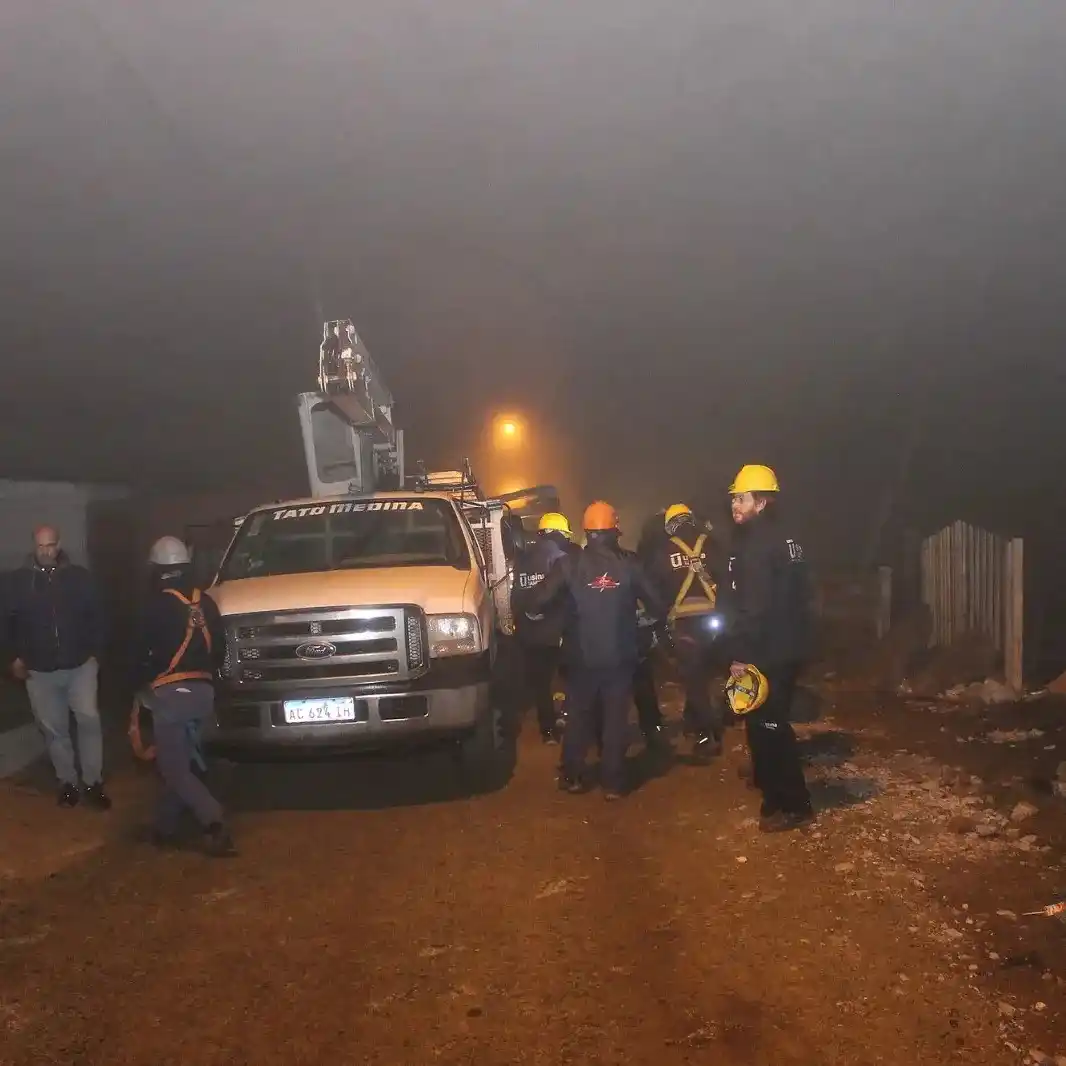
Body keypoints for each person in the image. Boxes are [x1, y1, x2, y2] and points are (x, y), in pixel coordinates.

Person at [526, 501, 668, 800]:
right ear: (615, 531)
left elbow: (538, 600)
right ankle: (613, 783)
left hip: (581, 658)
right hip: (620, 656)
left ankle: (573, 775)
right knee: (616, 719)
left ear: (587, 532)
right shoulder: (630, 564)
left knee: (579, 716)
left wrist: (549, 616)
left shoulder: (569, 564)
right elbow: (657, 604)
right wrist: (640, 621)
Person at [722, 465, 814, 832]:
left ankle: (794, 804)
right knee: (765, 725)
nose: (735, 505)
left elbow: (754, 607)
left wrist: (741, 655)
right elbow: (803, 594)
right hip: (788, 645)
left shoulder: (757, 544)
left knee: (770, 726)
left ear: (761, 502)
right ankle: (773, 796)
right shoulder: (789, 538)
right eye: (733, 498)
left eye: (741, 498)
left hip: (767, 649)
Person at [132, 536, 235, 857]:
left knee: (174, 770)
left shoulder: (153, 607)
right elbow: (220, 651)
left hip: (170, 698)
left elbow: (139, 657)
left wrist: (139, 692)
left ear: (157, 568)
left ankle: (213, 820)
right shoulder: (207, 603)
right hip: (204, 696)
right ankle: (164, 827)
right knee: (181, 763)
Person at [5, 525, 109, 809]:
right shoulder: (18, 582)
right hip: (39, 671)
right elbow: (7, 622)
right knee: (54, 730)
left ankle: (93, 782)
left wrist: (95, 653)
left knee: (88, 720)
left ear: (59, 544)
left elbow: (97, 615)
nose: (46, 551)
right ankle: (68, 782)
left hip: (79, 665)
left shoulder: (79, 578)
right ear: (33, 547)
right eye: (41, 547)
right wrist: (13, 657)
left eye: (51, 545)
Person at [640, 503, 725, 757]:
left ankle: (708, 733)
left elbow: (653, 589)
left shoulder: (663, 550)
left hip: (684, 623)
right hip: (715, 621)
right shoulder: (712, 544)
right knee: (701, 674)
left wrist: (658, 619)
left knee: (694, 676)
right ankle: (693, 720)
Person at [511, 512, 578, 744]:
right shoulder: (562, 558)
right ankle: (569, 718)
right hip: (558, 632)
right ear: (560, 534)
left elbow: (516, 597)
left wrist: (525, 618)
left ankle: (547, 729)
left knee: (541, 684)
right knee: (573, 676)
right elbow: (569, 594)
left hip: (530, 633)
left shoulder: (523, 560)